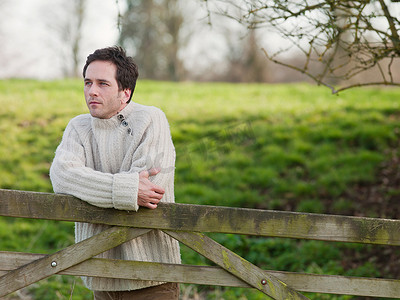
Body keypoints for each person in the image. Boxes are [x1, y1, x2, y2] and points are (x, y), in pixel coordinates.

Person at [49, 46, 181, 299]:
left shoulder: (151, 119)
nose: (92, 91)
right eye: (87, 82)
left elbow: (151, 190)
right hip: (102, 274)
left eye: (103, 83)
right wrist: (128, 189)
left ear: (126, 93)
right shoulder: (78, 127)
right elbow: (62, 176)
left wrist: (89, 187)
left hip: (152, 276)